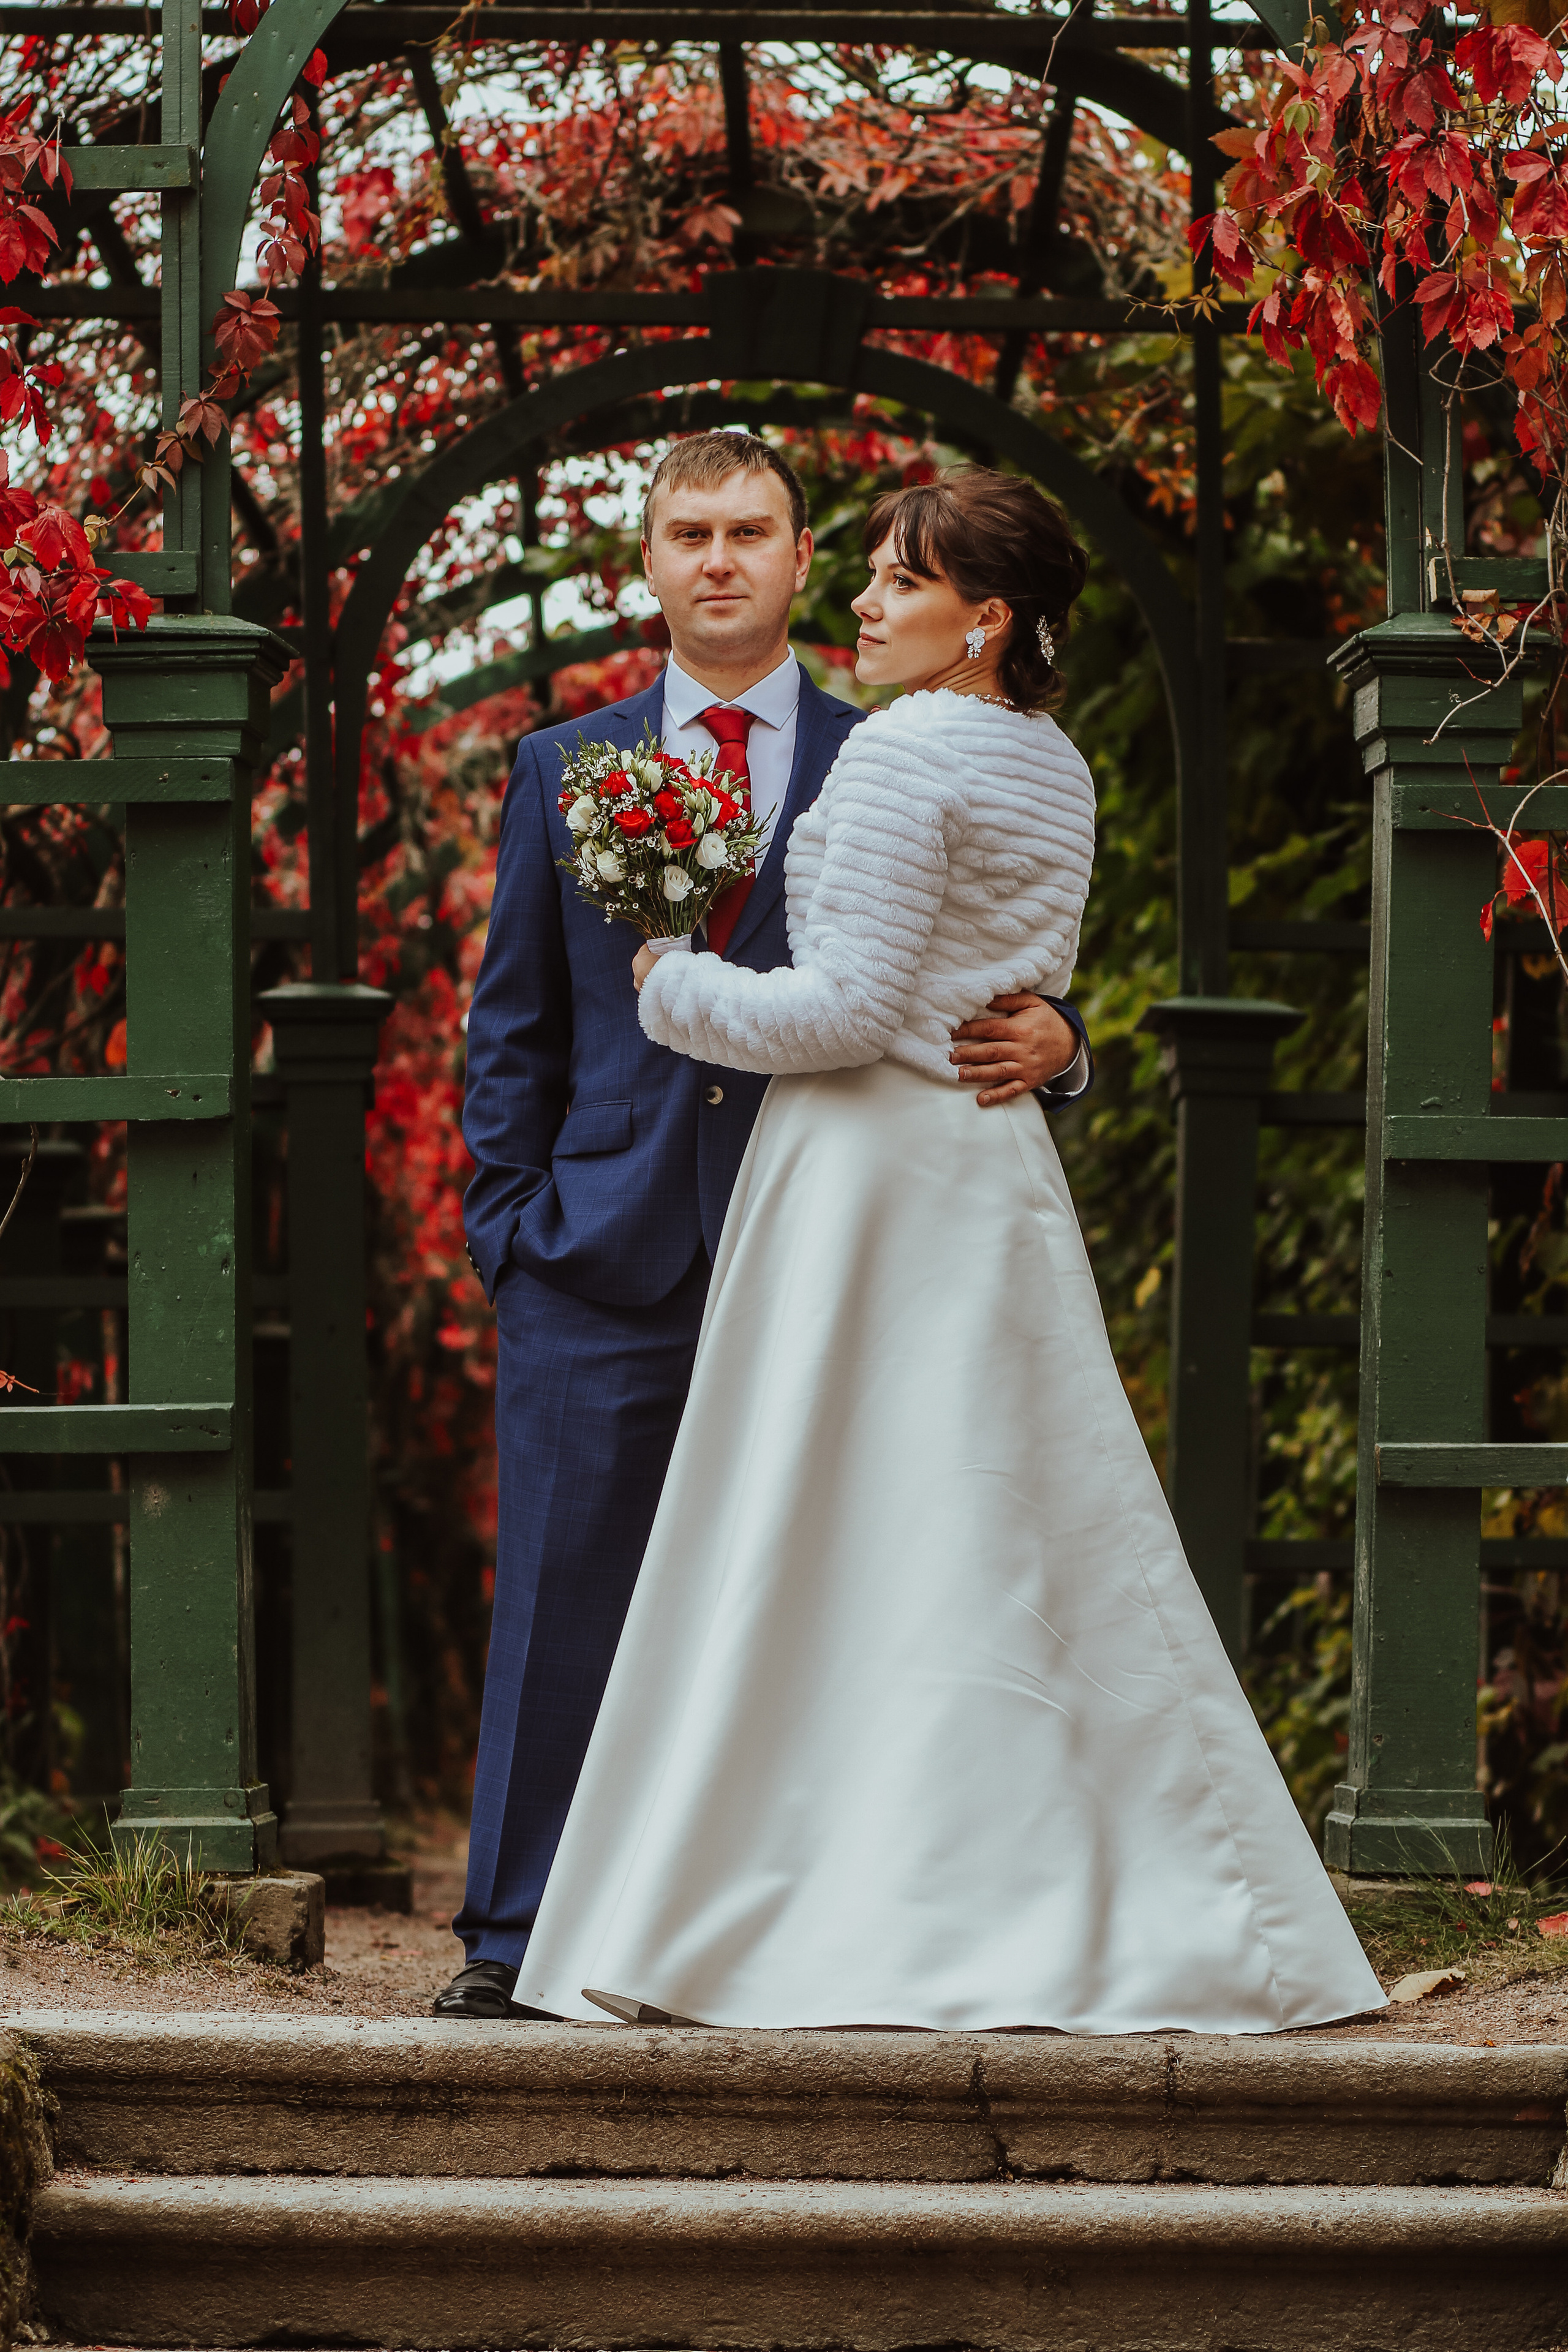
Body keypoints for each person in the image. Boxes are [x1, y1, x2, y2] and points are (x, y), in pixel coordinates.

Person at [516, 468, 1384, 2035]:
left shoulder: (906, 754)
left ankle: (840, 1894)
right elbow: (1003, 981)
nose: (860, 601)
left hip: (868, 1179)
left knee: (836, 1531)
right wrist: (1045, 1043)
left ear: (980, 617)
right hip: (985, 1170)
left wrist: (664, 978)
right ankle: (1072, 1880)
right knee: (999, 1531)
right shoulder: (1052, 761)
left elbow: (847, 1011)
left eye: (894, 580)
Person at [443, 435, 1096, 2020]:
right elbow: (513, 1027)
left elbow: (994, 969)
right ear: (650, 566)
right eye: (690, 534)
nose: (721, 559)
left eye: (754, 532)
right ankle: (516, 1937)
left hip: (828, 1258)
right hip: (598, 1255)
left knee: (804, 1605)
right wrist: (512, 1233)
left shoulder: (912, 742)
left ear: (803, 559)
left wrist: (1075, 1048)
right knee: (565, 1597)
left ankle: (753, 1930)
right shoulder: (561, 767)